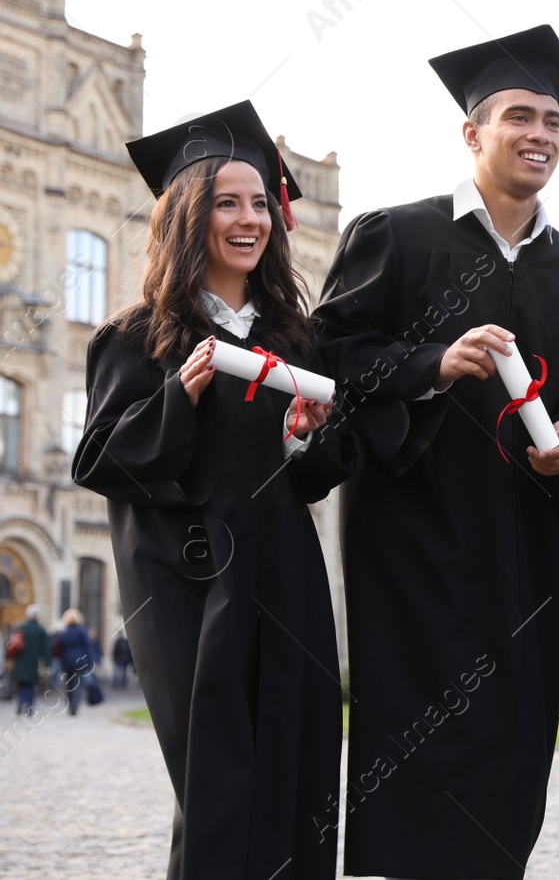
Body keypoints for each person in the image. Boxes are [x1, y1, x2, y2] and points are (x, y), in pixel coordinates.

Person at [314, 24, 559, 878]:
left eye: (554, 121)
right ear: (472, 133)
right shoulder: (397, 236)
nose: (541, 135)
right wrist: (430, 364)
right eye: (520, 115)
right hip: (415, 540)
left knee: (515, 742)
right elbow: (333, 357)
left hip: (520, 537)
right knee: (424, 753)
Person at [72, 101, 348, 878]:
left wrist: (305, 433)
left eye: (260, 202)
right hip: (195, 586)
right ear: (190, 215)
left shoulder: (294, 339)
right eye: (226, 201)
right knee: (219, 784)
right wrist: (179, 398)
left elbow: (321, 475)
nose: (248, 217)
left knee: (298, 771)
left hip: (287, 578)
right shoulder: (139, 337)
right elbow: (100, 459)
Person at [10, 604, 48, 716]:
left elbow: (11, 643)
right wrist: (47, 663)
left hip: (20, 660)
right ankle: (29, 707)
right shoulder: (40, 629)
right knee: (31, 685)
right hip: (33, 661)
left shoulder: (20, 627)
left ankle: (21, 702)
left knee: (21, 684)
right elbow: (45, 648)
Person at [54, 608, 93, 716]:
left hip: (66, 661)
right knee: (77, 685)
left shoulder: (63, 632)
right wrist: (89, 662)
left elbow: (57, 647)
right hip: (79, 662)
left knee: (68, 685)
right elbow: (87, 647)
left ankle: (69, 704)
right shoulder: (82, 631)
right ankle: (75, 705)